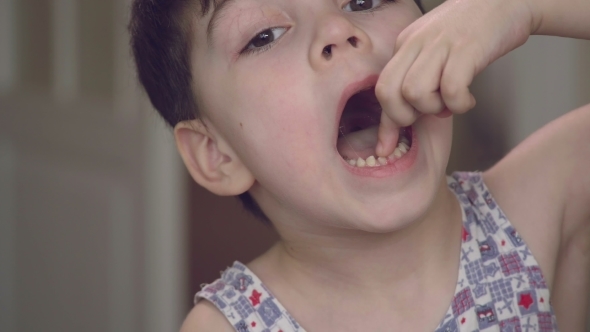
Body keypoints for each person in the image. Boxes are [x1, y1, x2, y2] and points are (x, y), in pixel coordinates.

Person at [129, 0, 590, 330]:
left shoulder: (540, 202)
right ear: (217, 153)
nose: (337, 29)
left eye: (365, 0)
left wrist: (526, 8)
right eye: (264, 36)